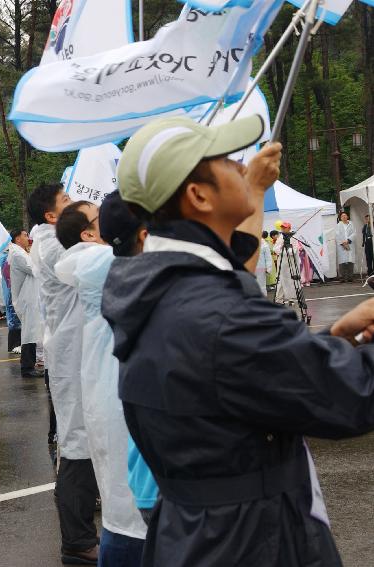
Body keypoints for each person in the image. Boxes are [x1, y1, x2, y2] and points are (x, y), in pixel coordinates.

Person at [102, 113, 374, 566]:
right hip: (250, 543)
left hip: (199, 537)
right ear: (199, 195)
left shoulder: (162, 290)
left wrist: (332, 340)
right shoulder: (217, 313)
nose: (243, 170)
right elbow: (354, 396)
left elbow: (236, 382)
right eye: (227, 161)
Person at [55, 194, 150, 566]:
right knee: (127, 507)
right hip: (115, 392)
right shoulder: (91, 260)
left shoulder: (97, 259)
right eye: (98, 219)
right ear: (88, 235)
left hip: (113, 386)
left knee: (125, 498)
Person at [27, 184, 100, 566]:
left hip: (81, 350)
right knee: (76, 442)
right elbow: (96, 263)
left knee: (86, 437)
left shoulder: (52, 241)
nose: (73, 206)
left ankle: (83, 533)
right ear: (52, 216)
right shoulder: (55, 245)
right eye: (66, 203)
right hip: (73, 354)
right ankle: (77, 540)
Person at [7, 229, 44, 378]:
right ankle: (27, 367)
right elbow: (33, 269)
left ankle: (30, 364)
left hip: (30, 297)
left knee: (32, 331)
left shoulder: (20, 252)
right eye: (25, 235)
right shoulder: (17, 254)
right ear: (17, 239)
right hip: (26, 298)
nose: (28, 237)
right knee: (29, 332)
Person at [336, 211, 356, 282]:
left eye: (345, 215)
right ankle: (342, 277)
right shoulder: (338, 225)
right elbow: (337, 235)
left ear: (347, 216)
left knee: (350, 261)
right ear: (340, 218)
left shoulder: (351, 224)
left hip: (350, 244)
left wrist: (348, 240)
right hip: (342, 246)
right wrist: (343, 243)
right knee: (342, 262)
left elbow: (354, 233)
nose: (344, 217)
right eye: (342, 216)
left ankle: (350, 277)